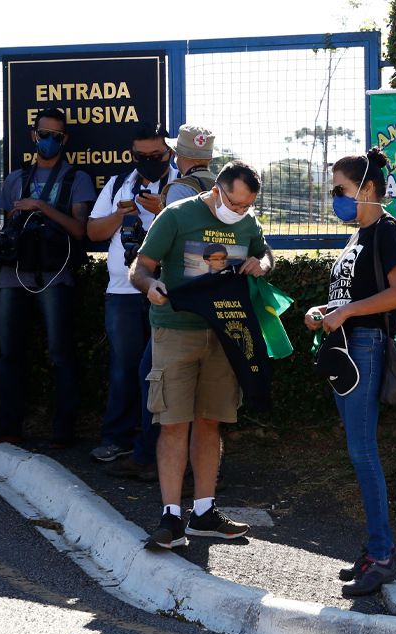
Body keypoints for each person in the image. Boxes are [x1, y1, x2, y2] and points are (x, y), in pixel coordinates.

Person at [129, 160, 274, 549]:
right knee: (174, 423)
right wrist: (150, 286)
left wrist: (261, 263)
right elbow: (139, 269)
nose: (241, 212)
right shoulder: (177, 215)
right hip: (176, 330)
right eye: (236, 204)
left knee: (210, 421)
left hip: (226, 333)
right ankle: (171, 519)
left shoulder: (248, 223)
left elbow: (267, 256)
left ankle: (204, 513)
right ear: (216, 191)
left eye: (248, 207)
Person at [303, 147, 396, 596]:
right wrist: (325, 310)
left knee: (363, 452)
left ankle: (383, 556)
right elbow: (356, 296)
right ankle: (375, 550)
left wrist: (346, 311)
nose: (336, 199)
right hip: (347, 351)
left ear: (367, 188)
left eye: (340, 190)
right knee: (358, 451)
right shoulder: (358, 235)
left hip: (365, 349)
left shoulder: (385, 230)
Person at [0, 108, 95, 449]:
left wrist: (41, 205)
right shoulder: (14, 179)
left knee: (61, 353)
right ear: (33, 136)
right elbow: (9, 227)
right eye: (44, 134)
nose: (49, 140)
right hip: (14, 275)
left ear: (64, 139)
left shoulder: (76, 178)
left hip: (57, 274)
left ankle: (63, 427)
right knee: (10, 354)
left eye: (57, 135)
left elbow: (80, 230)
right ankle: (9, 424)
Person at [106, 124, 219, 480]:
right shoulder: (222, 187)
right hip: (214, 299)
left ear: (177, 154)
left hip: (177, 301)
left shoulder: (179, 190)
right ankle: (197, 470)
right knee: (203, 395)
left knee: (154, 379)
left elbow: (163, 250)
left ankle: (155, 461)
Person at [85, 122, 182, 463]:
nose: (149, 161)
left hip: (164, 290)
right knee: (124, 369)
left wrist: (163, 209)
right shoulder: (117, 184)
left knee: (161, 370)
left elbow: (199, 231)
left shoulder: (181, 186)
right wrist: (119, 213)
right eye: (140, 156)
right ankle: (117, 439)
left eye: (156, 155)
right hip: (122, 291)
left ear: (169, 152)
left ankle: (154, 444)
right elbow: (93, 231)